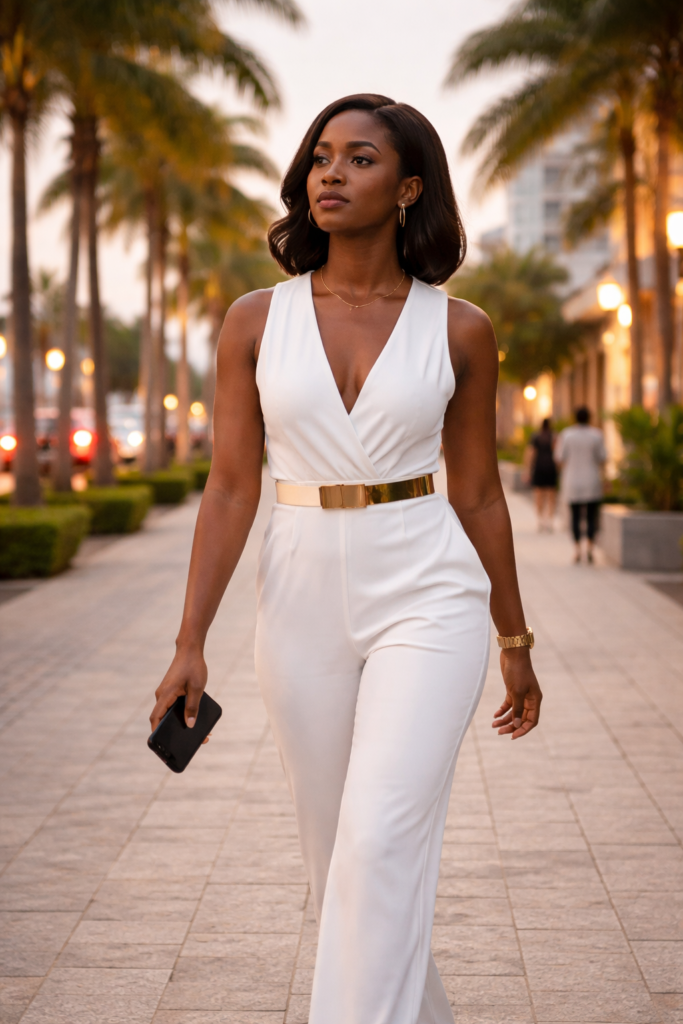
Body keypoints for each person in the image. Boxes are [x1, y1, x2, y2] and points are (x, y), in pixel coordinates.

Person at [150, 94, 542, 1024]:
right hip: (298, 599)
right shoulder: (254, 321)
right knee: (341, 864)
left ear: (408, 188)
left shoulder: (460, 330)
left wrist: (513, 637)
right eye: (321, 156)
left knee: (378, 841)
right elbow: (232, 486)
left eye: (359, 159)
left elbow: (479, 491)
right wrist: (190, 639)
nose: (330, 173)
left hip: (427, 589)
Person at [556, 406, 607, 564]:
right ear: (589, 417)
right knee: (592, 517)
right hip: (592, 480)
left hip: (572, 480)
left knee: (575, 516)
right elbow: (603, 458)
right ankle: (590, 548)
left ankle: (577, 550)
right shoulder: (596, 435)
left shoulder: (567, 434)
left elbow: (559, 457)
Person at [527, 417, 558, 531]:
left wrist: (527, 470)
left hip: (539, 468)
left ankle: (540, 520)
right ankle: (549, 520)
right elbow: (557, 454)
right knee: (551, 495)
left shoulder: (536, 437)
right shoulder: (554, 437)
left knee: (539, 495)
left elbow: (531, 454)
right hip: (551, 468)